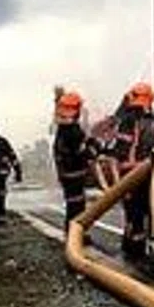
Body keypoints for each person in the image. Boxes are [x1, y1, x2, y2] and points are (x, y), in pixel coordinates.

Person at [99, 82, 154, 258]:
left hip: (131, 179)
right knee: (153, 212)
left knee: (134, 216)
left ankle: (133, 252)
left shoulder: (127, 123)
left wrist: (116, 185)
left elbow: (116, 154)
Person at [52, 91, 95, 221]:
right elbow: (79, 151)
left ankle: (75, 233)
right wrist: (92, 151)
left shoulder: (64, 128)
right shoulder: (70, 130)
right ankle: (74, 235)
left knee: (75, 204)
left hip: (68, 173)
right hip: (73, 173)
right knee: (76, 206)